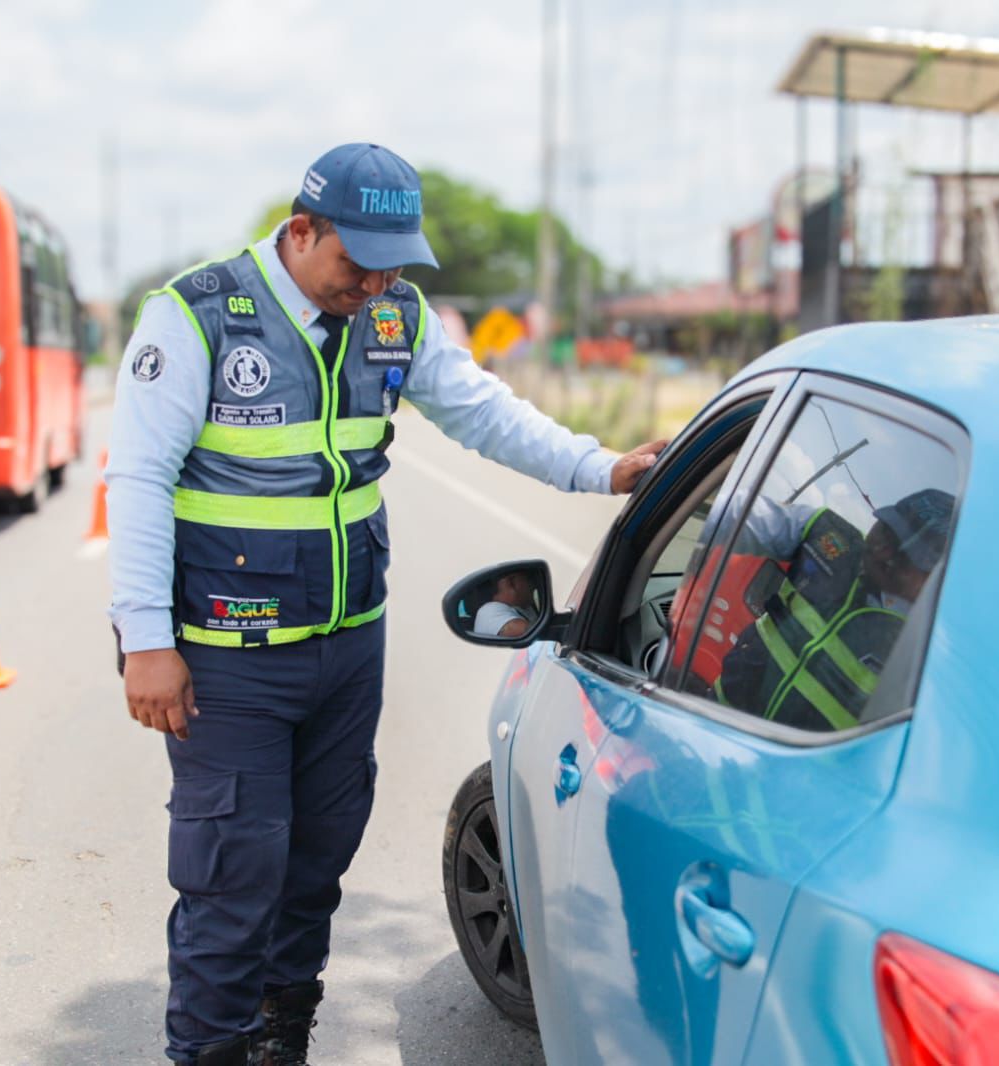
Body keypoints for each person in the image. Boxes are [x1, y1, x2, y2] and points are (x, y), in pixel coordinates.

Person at [105, 143, 665, 1066]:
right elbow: (136, 480)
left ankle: (281, 1039)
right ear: (301, 230)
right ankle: (209, 1049)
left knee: (315, 863)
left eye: (392, 265)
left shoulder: (395, 315)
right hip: (226, 658)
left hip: (346, 645)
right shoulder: (196, 315)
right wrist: (145, 640)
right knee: (232, 875)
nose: (372, 284)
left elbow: (481, 411)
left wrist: (597, 467)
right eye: (355, 262)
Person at [714, 488, 954, 732]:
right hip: (716, 717)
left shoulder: (930, 650)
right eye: (886, 530)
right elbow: (736, 514)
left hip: (790, 756)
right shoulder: (830, 538)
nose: (882, 550)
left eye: (905, 555)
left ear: (934, 578)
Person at [472, 569, 537, 638]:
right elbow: (530, 631)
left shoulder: (524, 607)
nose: (533, 584)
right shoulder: (488, 610)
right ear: (511, 582)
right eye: (528, 578)